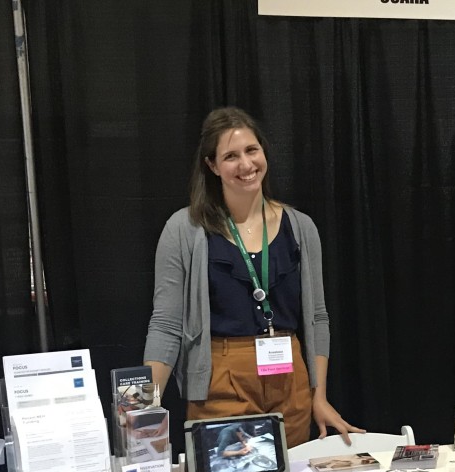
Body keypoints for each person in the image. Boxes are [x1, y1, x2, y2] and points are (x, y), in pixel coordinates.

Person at [145, 107, 365, 446]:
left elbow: (317, 319)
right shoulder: (184, 229)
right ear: (212, 166)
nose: (246, 165)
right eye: (231, 156)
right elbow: (167, 324)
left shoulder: (301, 227)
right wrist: (146, 406)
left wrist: (318, 396)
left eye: (252, 150)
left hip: (290, 379)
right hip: (221, 378)